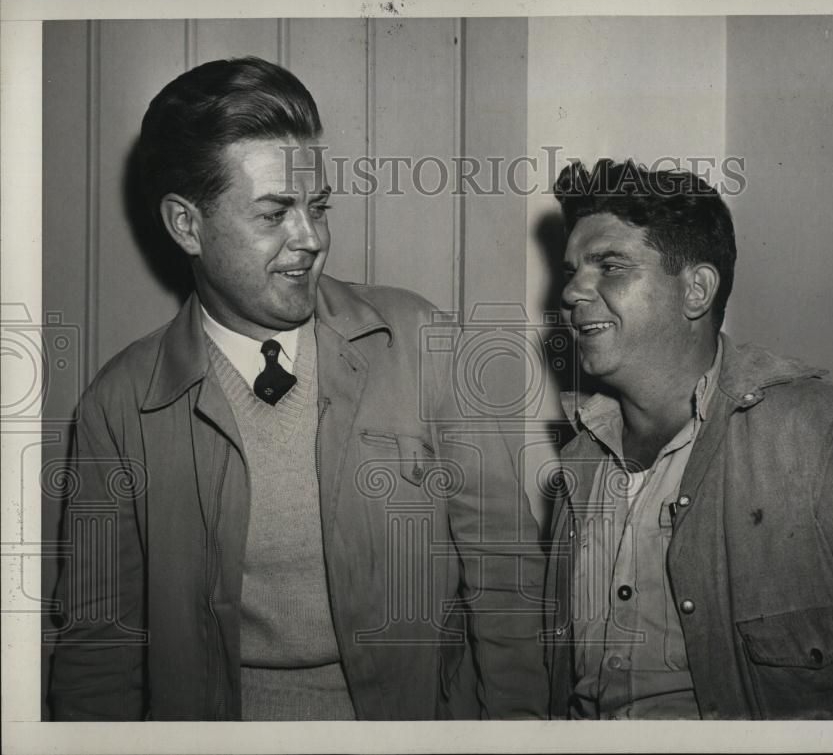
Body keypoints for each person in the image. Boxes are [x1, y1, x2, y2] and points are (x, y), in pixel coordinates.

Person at [48, 56, 547, 721]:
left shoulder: (421, 340)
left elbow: (506, 581)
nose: (310, 238)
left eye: (317, 207)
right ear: (186, 225)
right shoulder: (117, 409)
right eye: (274, 213)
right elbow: (99, 657)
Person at [543, 159, 833, 719]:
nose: (573, 291)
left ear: (696, 289)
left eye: (611, 265)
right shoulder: (577, 465)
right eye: (573, 269)